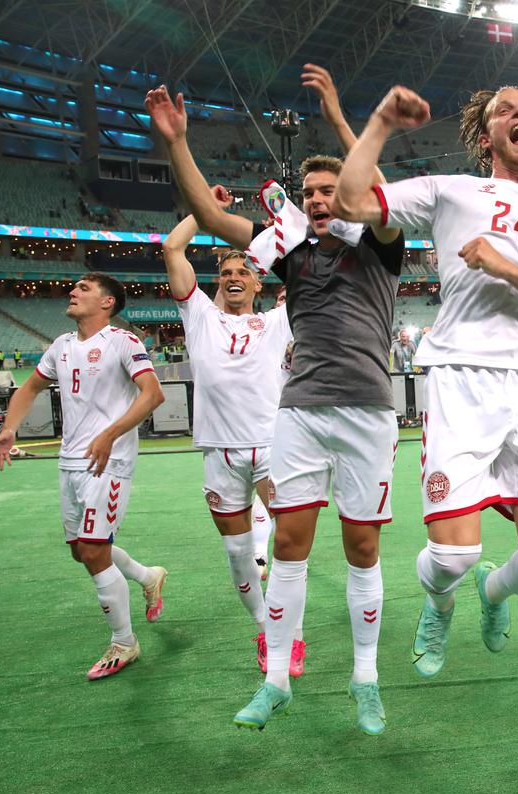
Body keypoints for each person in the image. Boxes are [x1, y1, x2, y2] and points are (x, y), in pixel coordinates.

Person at [146, 64, 406, 736]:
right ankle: (275, 679)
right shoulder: (289, 251)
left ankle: (365, 677)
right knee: (288, 543)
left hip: (368, 410)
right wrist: (177, 142)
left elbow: (372, 184)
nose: (320, 198)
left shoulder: (381, 241)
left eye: (329, 189)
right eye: (311, 192)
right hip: (297, 411)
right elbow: (208, 216)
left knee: (362, 546)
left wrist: (344, 117)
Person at [333, 82, 518, 680]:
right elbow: (349, 201)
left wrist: (503, 264)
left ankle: (494, 593)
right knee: (451, 555)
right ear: (488, 137)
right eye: (506, 110)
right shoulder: (449, 190)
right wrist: (378, 121)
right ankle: (440, 599)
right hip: (460, 377)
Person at [0, 273, 168, 680]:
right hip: (70, 463)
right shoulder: (61, 346)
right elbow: (30, 387)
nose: (73, 292)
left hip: (110, 461)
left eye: (84, 288)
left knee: (91, 549)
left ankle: (124, 642)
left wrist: (110, 434)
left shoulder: (124, 341)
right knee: (83, 551)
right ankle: (147, 576)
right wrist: (9, 428)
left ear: (108, 303)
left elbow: (153, 394)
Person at [162, 186, 302, 676]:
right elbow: (172, 249)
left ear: (259, 284)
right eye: (226, 273)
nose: (234, 277)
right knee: (240, 556)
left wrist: (282, 218)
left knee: (289, 546)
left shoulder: (277, 322)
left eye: (244, 271)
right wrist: (208, 213)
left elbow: (310, 272)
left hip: (271, 446)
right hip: (218, 452)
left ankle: (292, 637)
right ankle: (266, 629)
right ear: (217, 285)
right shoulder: (199, 317)